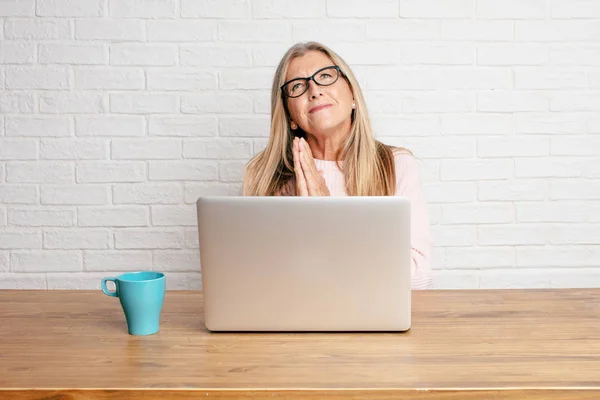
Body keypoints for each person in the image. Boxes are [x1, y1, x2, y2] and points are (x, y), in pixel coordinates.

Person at [241, 41, 433, 290]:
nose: (314, 90)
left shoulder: (396, 165)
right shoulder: (263, 176)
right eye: (298, 85)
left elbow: (418, 278)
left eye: (325, 76)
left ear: (352, 94)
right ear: (290, 116)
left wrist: (327, 216)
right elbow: (253, 281)